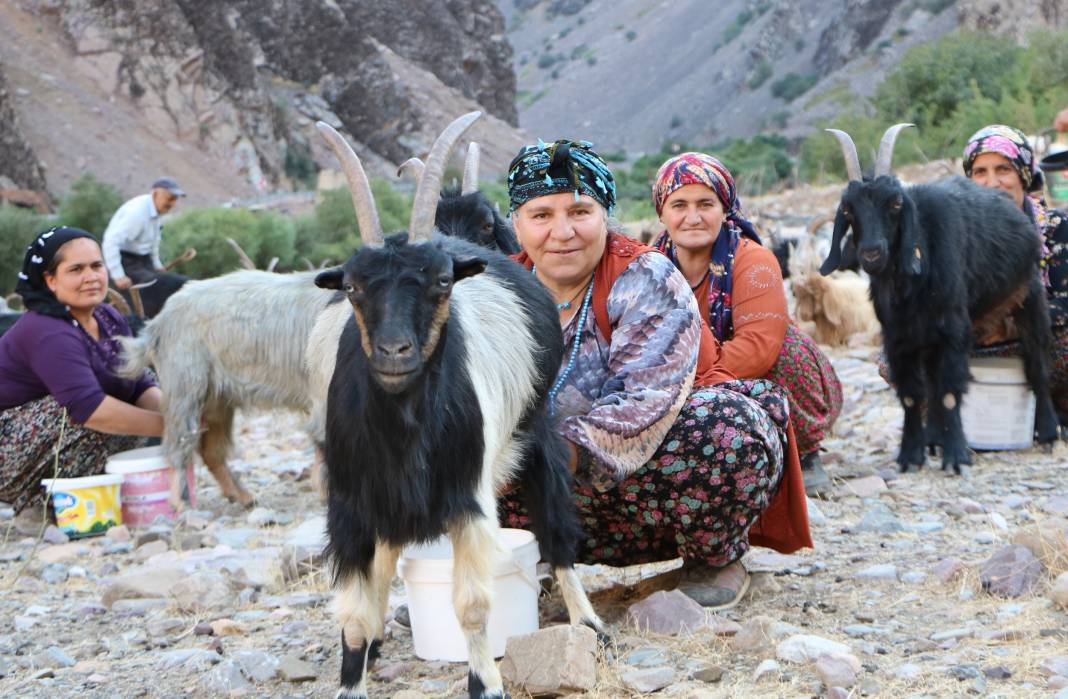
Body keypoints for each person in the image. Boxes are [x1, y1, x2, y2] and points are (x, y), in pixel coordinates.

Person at [499, 139, 811, 609]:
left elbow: (644, 398)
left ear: (605, 215)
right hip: (540, 499)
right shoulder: (493, 290)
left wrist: (547, 453)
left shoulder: (647, 276)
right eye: (541, 215)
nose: (562, 232)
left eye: (580, 212)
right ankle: (512, 564)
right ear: (517, 224)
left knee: (727, 425)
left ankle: (712, 558)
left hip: (645, 496)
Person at [650, 152, 843, 496]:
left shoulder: (753, 261)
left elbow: (758, 348)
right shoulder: (648, 266)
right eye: (679, 205)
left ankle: (805, 451)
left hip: (738, 375)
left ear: (724, 209)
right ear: (661, 212)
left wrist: (687, 384)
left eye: (705, 204)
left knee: (787, 348)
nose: (692, 217)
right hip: (685, 377)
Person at [0, 227, 164, 515]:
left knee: (135, 389)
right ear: (50, 280)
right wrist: (171, 427)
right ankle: (41, 500)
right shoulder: (45, 329)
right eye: (76, 269)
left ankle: (95, 493)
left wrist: (182, 414)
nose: (91, 277)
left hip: (56, 439)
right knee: (79, 412)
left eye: (96, 266)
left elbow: (138, 382)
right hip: (9, 452)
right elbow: (89, 409)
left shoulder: (108, 317)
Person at [962, 125, 1068, 424]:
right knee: (893, 360)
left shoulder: (1057, 228)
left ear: (1023, 174)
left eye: (1003, 169)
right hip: (976, 351)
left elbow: (1065, 304)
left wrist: (1008, 326)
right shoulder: (955, 238)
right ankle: (960, 420)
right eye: (980, 172)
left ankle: (1052, 409)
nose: (992, 183)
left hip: (1040, 346)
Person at [102, 176, 187, 292]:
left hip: (143, 260)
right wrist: (118, 275)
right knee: (162, 285)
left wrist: (157, 266)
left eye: (175, 200)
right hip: (125, 261)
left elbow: (154, 241)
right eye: (170, 198)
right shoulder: (136, 214)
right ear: (155, 194)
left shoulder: (157, 212)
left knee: (171, 282)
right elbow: (110, 242)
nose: (173, 204)